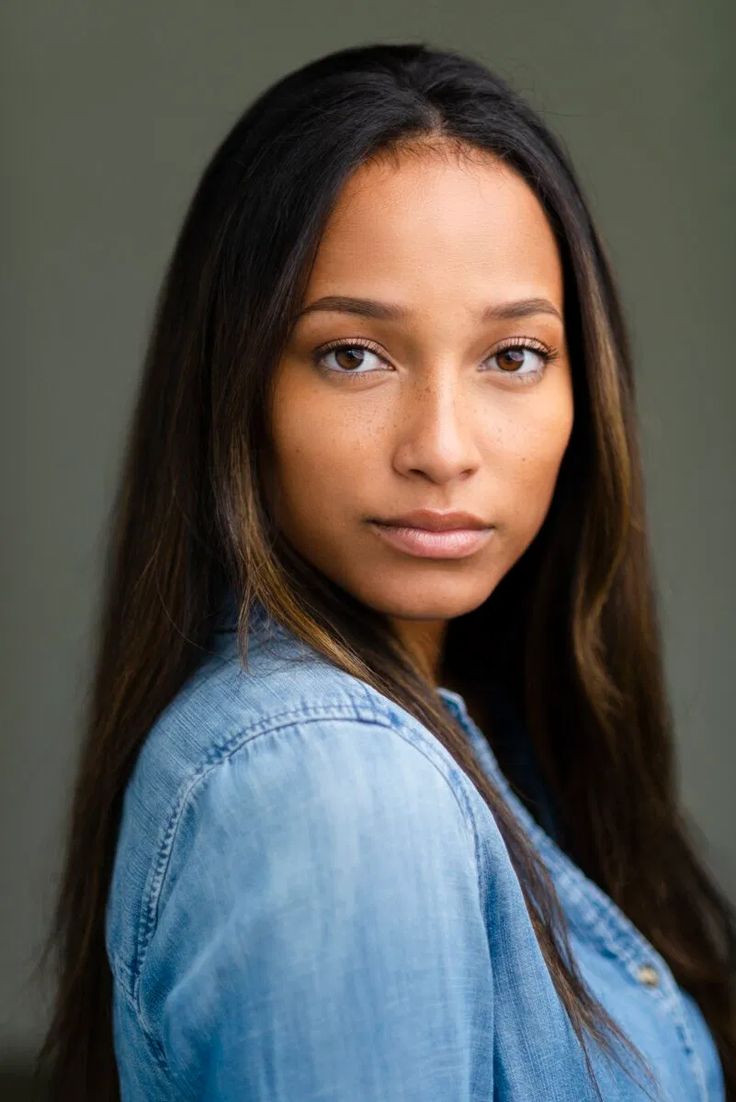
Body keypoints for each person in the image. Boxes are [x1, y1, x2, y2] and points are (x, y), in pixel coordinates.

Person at [37, 42, 734, 1101]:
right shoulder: (328, 783)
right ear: (236, 387)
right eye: (352, 354)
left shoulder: (482, 732)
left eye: (514, 356)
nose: (442, 447)